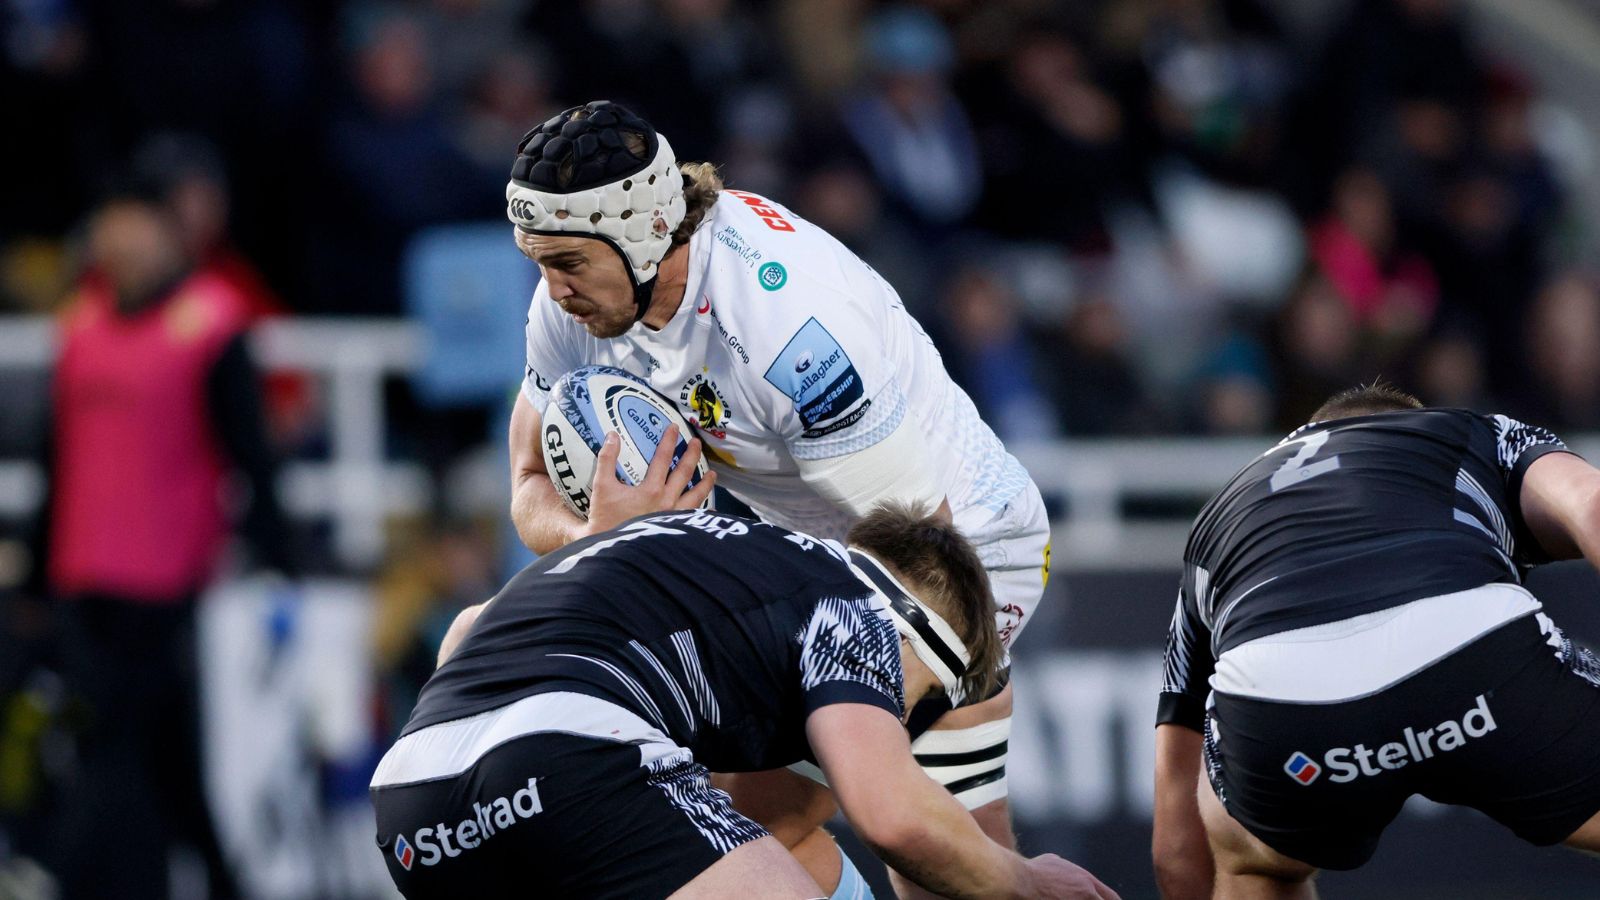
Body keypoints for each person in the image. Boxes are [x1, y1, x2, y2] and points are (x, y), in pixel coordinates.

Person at [503, 100, 1053, 895]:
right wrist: (604, 533)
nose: (552, 291)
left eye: (566, 263)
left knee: (750, 823)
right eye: (538, 262)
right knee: (948, 859)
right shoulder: (574, 305)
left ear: (646, 232)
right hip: (811, 560)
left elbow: (917, 556)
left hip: (958, 549)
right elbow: (526, 491)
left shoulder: (788, 322)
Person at [370, 504, 1115, 899]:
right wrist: (1025, 882)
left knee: (802, 855)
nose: (898, 723)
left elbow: (469, 630)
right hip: (568, 757)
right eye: (913, 711)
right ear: (921, 639)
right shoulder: (857, 607)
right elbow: (888, 814)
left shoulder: (730, 555)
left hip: (415, 806)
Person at [1152, 383, 1600, 899]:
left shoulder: (1215, 521)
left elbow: (1176, 836)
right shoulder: (1467, 430)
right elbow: (1588, 502)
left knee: (1253, 864)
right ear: (1407, 420)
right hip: (1467, 646)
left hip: (1284, 708)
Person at [30, 185, 296, 898]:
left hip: (165, 574)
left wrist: (279, 557)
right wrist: (32, 574)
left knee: (116, 745)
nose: (120, 244)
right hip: (82, 572)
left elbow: (250, 452)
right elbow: (57, 458)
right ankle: (216, 879)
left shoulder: (208, 323)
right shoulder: (81, 326)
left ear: (165, 234)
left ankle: (70, 876)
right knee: (160, 750)